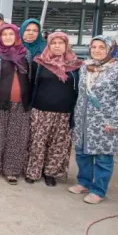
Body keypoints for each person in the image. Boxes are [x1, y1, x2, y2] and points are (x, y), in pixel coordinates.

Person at [70, 37, 118, 204]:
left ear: (111, 50)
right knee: (81, 152)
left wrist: (115, 121)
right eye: (94, 47)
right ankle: (84, 182)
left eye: (101, 47)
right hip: (84, 119)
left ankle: (98, 190)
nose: (97, 50)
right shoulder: (86, 67)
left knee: (103, 157)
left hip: (105, 121)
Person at [25, 31, 82, 186]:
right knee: (38, 142)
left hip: (64, 111)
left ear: (66, 45)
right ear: (49, 45)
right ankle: (33, 171)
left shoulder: (76, 66)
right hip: (40, 110)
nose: (57, 46)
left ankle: (50, 173)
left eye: (60, 43)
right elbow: (30, 85)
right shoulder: (39, 63)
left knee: (58, 144)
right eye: (54, 43)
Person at [0, 24, 32, 184]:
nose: (8, 37)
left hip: (21, 102)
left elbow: (29, 77)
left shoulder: (25, 54)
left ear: (17, 36)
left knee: (16, 138)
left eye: (11, 34)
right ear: (0, 37)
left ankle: (12, 170)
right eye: (5, 34)